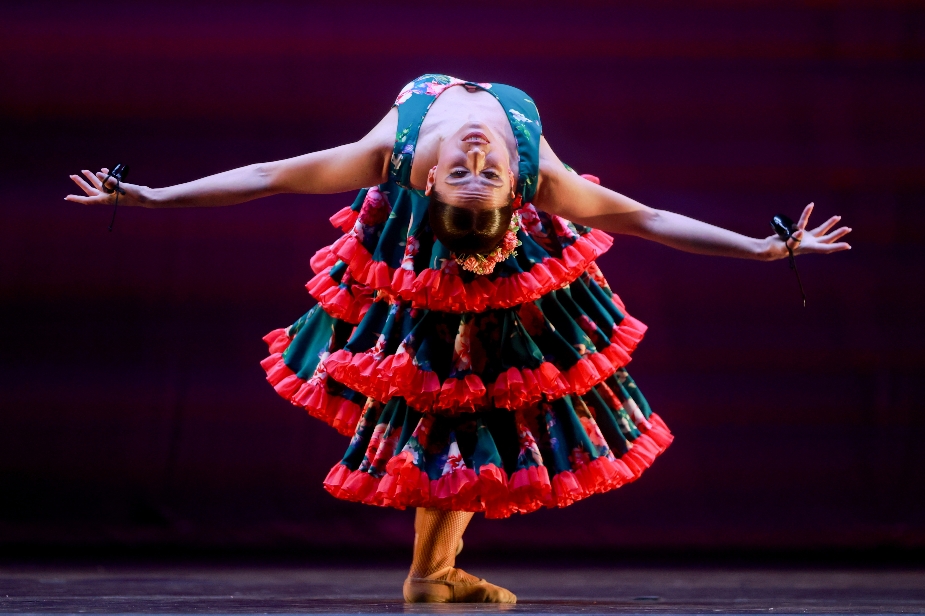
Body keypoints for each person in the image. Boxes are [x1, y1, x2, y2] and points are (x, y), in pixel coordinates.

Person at [66, 74, 852, 604]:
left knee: (473, 396)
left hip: (498, 259)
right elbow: (268, 175)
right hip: (424, 263)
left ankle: (431, 572)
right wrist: (153, 198)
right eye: (475, 169)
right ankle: (433, 572)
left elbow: (643, 219)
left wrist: (762, 250)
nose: (475, 153)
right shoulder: (501, 174)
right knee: (454, 398)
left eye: (472, 169)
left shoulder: (433, 164)